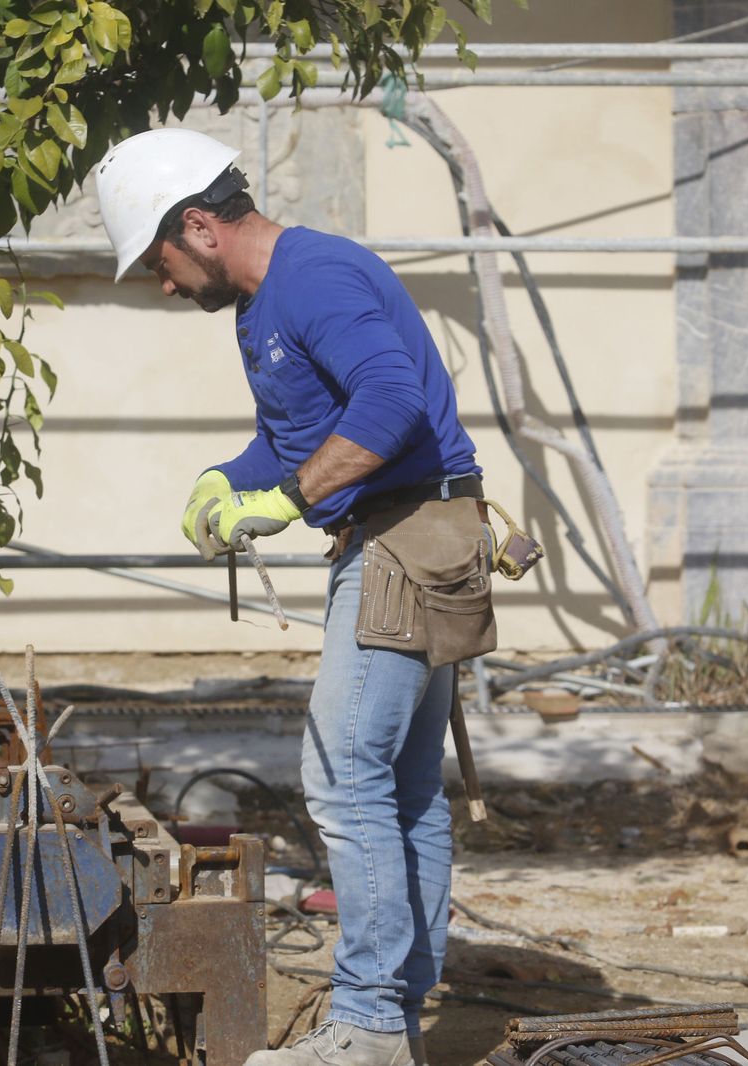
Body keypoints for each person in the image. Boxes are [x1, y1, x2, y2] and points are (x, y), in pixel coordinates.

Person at [96, 128, 496, 1066]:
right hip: (416, 534)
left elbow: (390, 404)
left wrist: (285, 501)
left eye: (157, 260)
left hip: (404, 541)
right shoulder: (262, 303)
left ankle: (365, 1025)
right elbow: (300, 434)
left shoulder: (313, 278)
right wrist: (225, 477)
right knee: (399, 786)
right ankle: (393, 1017)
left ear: (197, 227)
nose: (161, 283)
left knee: (343, 773)